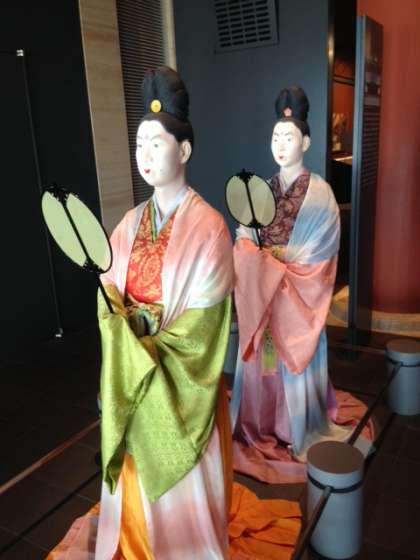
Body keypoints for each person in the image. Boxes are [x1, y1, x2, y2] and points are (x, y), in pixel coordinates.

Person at [48, 68, 301, 560]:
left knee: (185, 495)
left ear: (184, 151)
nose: (145, 155)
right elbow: (109, 291)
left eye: (156, 143)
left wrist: (136, 346)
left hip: (182, 387)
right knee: (135, 491)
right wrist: (122, 331)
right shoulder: (128, 223)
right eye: (139, 144)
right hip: (135, 379)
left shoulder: (209, 227)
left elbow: (201, 328)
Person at [230, 86, 370, 484]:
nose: (280, 144)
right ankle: (259, 424)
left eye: (289, 137)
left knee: (291, 364)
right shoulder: (261, 189)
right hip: (265, 301)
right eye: (275, 136)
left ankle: (294, 428)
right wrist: (255, 259)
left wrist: (272, 267)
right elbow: (244, 238)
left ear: (306, 142)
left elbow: (320, 254)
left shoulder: (321, 194)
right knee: (262, 366)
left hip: (295, 302)